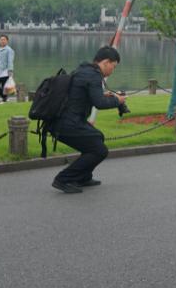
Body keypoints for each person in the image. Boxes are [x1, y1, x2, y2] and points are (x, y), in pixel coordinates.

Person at [49, 46, 126, 194]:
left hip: (65, 120)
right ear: (106, 62)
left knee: (98, 137)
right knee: (100, 150)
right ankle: (63, 179)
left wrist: (106, 95)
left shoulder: (84, 70)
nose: (112, 70)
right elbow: (100, 103)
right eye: (113, 66)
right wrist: (118, 101)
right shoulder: (93, 75)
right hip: (67, 124)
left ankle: (83, 177)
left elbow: (89, 96)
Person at [0, 34, 15, 103]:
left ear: (7, 41)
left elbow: (10, 61)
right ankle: (5, 98)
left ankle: (5, 99)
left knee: (4, 86)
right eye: (1, 40)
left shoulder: (9, 50)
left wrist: (10, 70)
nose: (2, 41)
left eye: (4, 40)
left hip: (5, 71)